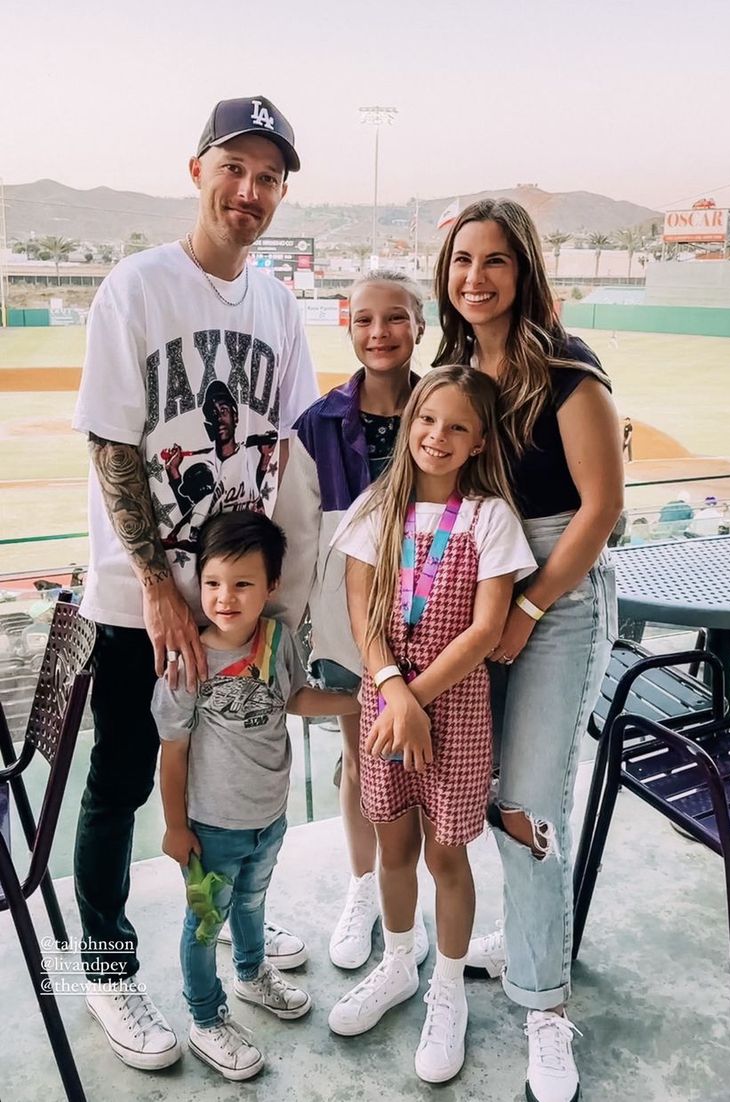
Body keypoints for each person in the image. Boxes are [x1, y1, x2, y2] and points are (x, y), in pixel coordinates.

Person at [71, 95, 318, 1070]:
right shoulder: (136, 289)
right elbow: (110, 444)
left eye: (269, 178)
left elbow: (300, 453)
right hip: (145, 607)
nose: (249, 191)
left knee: (232, 790)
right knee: (125, 780)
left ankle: (238, 934)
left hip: (239, 614)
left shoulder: (280, 305)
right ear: (197, 171)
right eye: (235, 168)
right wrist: (156, 586)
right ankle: (105, 960)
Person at [434, 199, 622, 1102]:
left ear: (525, 270)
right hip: (484, 592)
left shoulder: (568, 368)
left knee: (529, 803)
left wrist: (531, 608)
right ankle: (529, 937)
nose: (475, 277)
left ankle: (546, 1009)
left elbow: (600, 509)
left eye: (494, 261)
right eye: (462, 260)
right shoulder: (455, 370)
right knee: (485, 791)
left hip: (558, 592)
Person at [328, 367, 537, 1083]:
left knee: (446, 857)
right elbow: (362, 615)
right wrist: (394, 691)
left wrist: (415, 699)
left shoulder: (490, 520)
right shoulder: (374, 509)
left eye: (456, 427)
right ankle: (397, 963)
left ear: (480, 441)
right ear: (409, 420)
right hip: (388, 701)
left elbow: (485, 631)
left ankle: (447, 989)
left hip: (455, 709)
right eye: (426, 420)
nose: (436, 437)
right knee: (394, 848)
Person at [155, 511, 358, 1081]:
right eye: (214, 583)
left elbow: (294, 699)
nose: (225, 597)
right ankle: (204, 1017)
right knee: (202, 924)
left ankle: (250, 974)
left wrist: (359, 702)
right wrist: (175, 827)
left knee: (249, 905)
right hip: (211, 829)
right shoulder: (188, 662)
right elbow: (172, 750)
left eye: (243, 584)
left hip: (268, 819)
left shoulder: (277, 638)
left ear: (271, 586)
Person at [271, 269, 429, 971]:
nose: (379, 333)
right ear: (349, 327)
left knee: (430, 765)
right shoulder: (319, 421)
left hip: (436, 627)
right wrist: (287, 626)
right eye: (365, 320)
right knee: (364, 761)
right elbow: (296, 531)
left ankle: (416, 897)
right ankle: (366, 888)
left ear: (419, 327)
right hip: (345, 626)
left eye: (395, 318)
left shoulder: (448, 406)